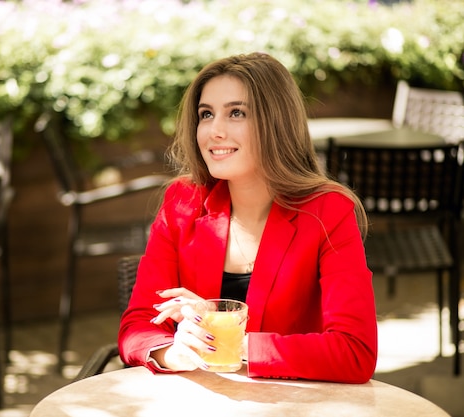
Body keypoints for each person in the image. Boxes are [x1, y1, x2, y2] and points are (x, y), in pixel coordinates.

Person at [117, 52, 378, 384]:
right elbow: (137, 327)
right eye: (206, 114)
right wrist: (172, 352)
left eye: (236, 113)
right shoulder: (182, 203)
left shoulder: (328, 212)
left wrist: (232, 342)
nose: (214, 131)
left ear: (276, 123)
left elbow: (355, 352)